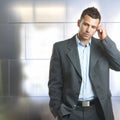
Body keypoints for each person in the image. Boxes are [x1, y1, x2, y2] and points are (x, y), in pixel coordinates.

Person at [48, 7, 120, 120]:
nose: (88, 30)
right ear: (79, 23)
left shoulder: (103, 46)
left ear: (97, 28)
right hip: (70, 112)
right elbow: (54, 83)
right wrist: (57, 111)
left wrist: (105, 39)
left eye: (93, 27)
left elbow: (118, 64)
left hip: (98, 111)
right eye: (86, 24)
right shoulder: (60, 48)